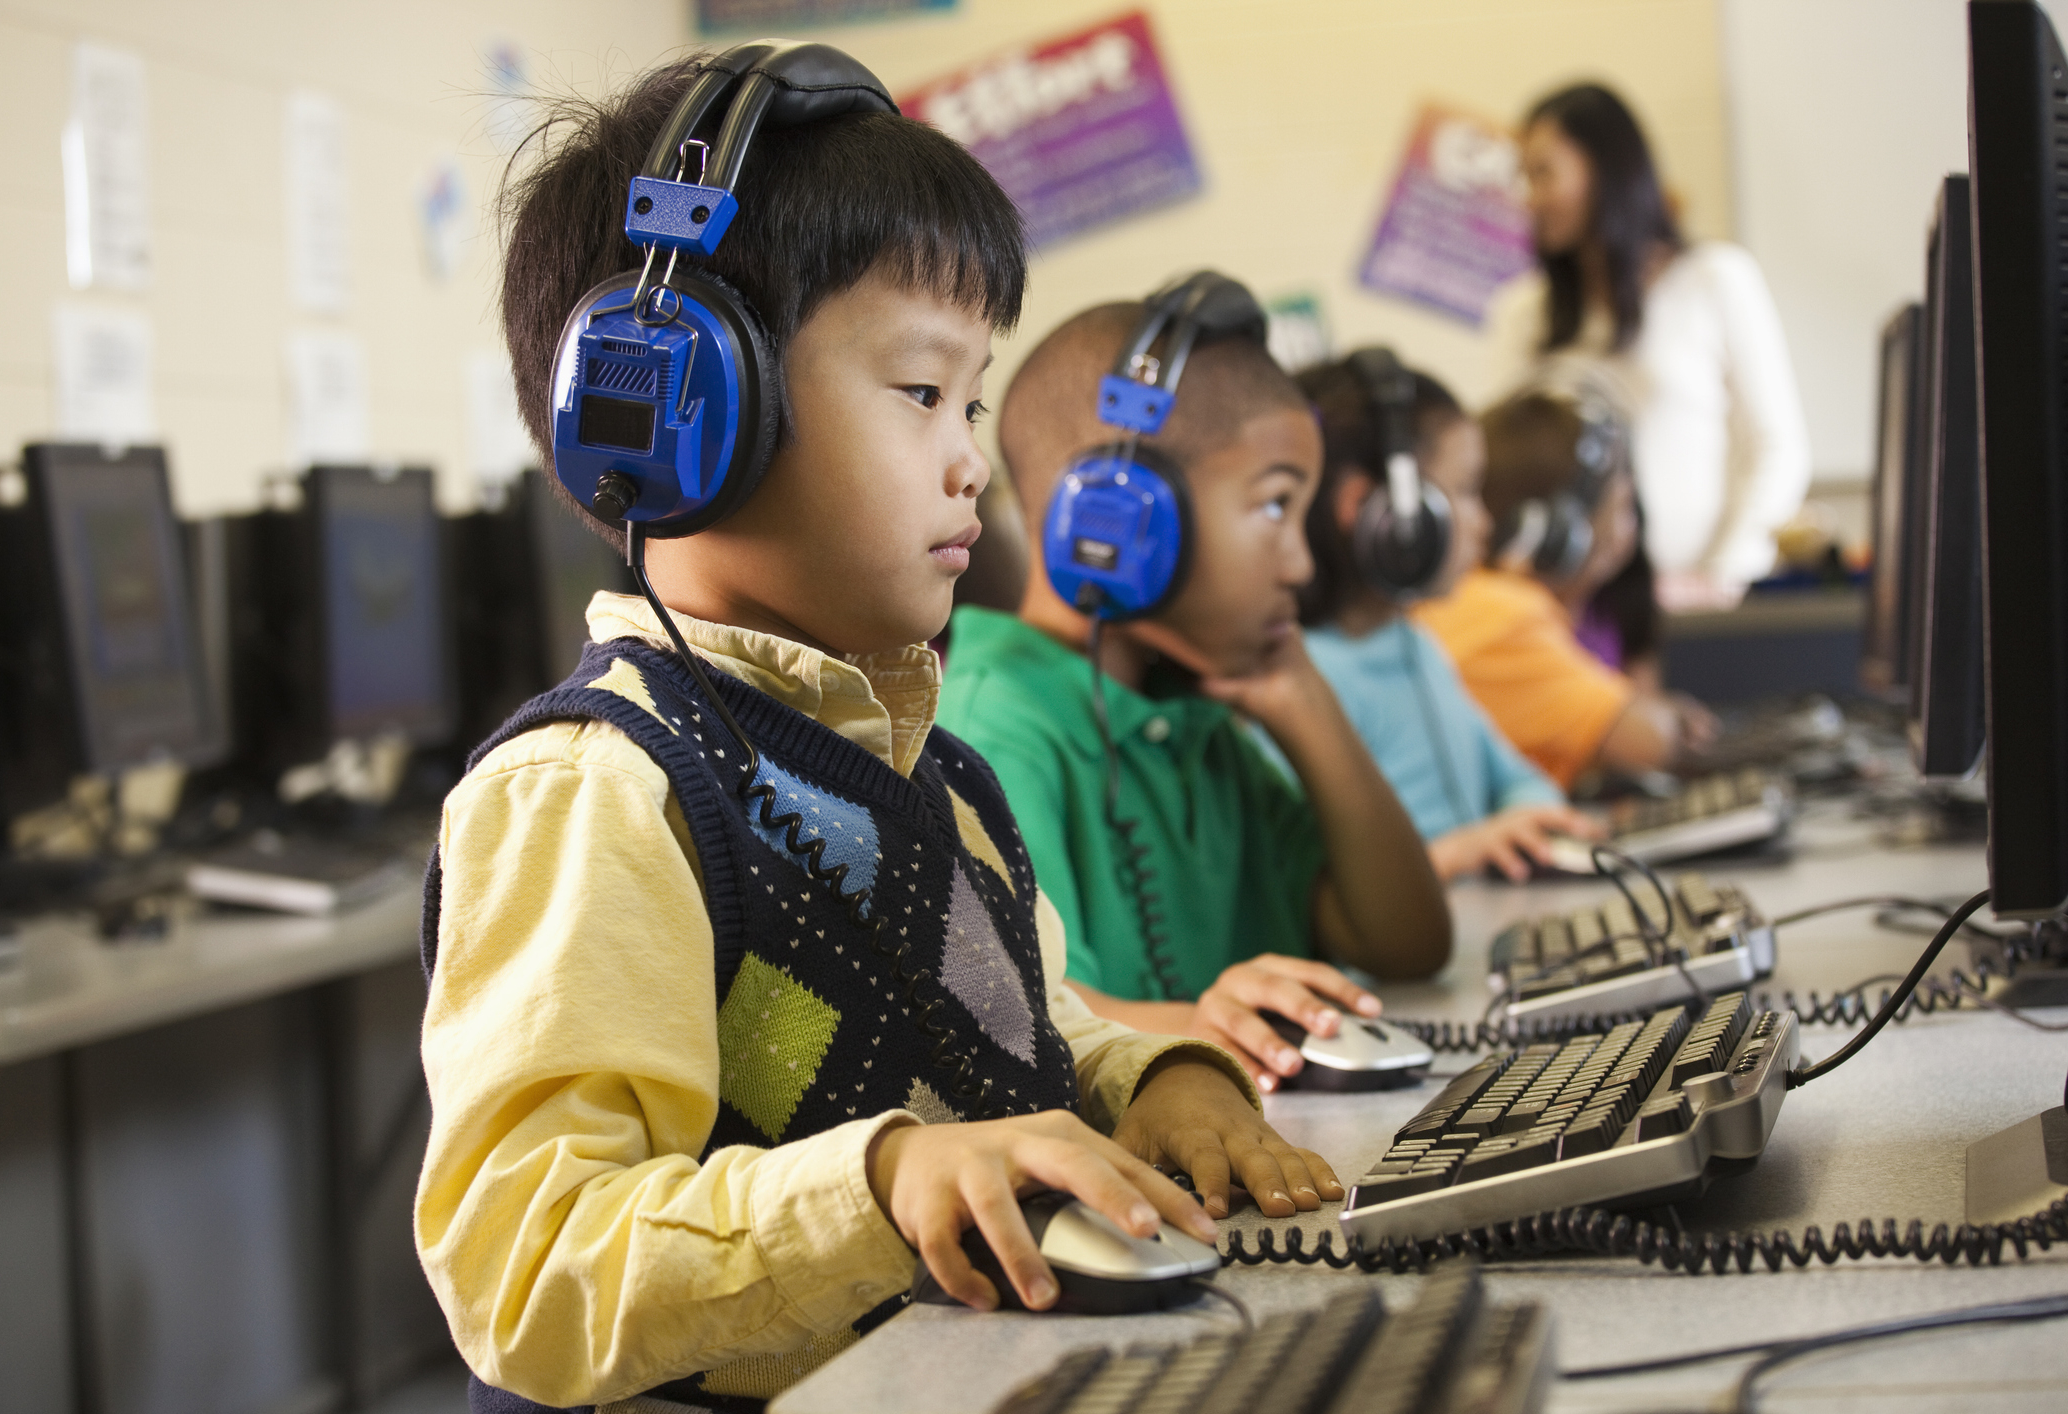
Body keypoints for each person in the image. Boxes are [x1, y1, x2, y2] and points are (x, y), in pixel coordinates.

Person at [416, 48, 1343, 1412]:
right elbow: (528, 1262)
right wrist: (882, 1182)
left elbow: (1020, 1039)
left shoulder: (932, 772)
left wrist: (1165, 1074)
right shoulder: (601, 793)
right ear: (685, 405)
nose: (971, 456)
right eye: (922, 393)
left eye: (974, 401)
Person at [936, 280, 1453, 1095]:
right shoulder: (992, 731)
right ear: (1111, 520)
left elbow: (1409, 941)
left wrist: (1305, 708)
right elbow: (1033, 1018)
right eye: (1275, 506)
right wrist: (1206, 1022)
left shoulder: (1195, 716)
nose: (1303, 565)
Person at [1485, 82, 1810, 610]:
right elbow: (1503, 468)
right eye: (1524, 178)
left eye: (1544, 173)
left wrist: (1719, 578)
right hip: (1564, 617)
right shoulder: (1521, 311)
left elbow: (1777, 449)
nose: (1530, 198)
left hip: (1695, 606)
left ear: (1606, 171)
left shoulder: (1714, 279)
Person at [1290, 350, 1601, 881]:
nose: (1483, 523)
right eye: (1463, 491)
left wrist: (1522, 815)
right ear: (1376, 508)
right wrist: (1459, 853)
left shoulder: (1415, 644)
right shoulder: (1306, 682)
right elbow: (1318, 898)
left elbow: (1521, 782)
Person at [1413, 384, 1717, 790]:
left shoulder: (1474, 599)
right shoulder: (1502, 614)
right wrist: (1670, 716)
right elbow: (1652, 741)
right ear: (1559, 533)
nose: (1629, 528)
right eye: (1623, 506)